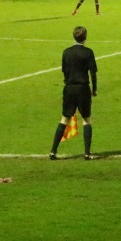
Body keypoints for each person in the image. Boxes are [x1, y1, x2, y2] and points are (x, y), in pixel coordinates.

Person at [49, 26, 98, 161]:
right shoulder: (88, 52)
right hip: (83, 89)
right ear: (85, 37)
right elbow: (93, 72)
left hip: (69, 88)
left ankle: (53, 151)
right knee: (86, 119)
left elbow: (64, 70)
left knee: (64, 119)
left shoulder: (67, 52)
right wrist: (94, 89)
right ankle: (87, 153)